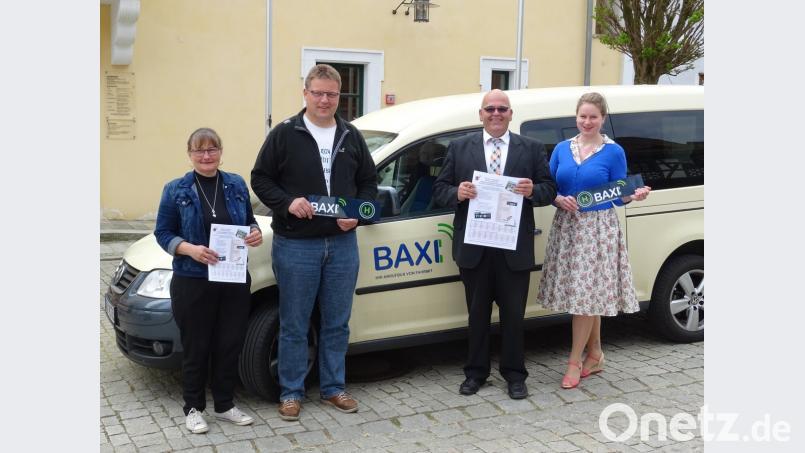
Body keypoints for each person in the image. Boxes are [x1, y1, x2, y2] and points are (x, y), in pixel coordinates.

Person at [250, 64, 377, 421]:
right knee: (294, 321)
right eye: (318, 93)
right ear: (305, 93)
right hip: (296, 245)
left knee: (338, 321)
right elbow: (260, 179)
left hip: (341, 245)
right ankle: (291, 393)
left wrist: (360, 214)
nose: (324, 100)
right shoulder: (285, 133)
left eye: (332, 94)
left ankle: (334, 388)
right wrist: (287, 202)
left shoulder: (351, 135)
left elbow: (368, 183)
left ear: (340, 96)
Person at [433, 89, 556, 399]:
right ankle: (476, 373)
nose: (496, 113)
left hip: (513, 247)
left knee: (514, 316)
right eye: (490, 109)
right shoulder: (460, 148)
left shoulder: (531, 148)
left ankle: (515, 375)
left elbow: (549, 189)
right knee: (476, 314)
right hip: (475, 246)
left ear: (511, 114)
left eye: (502, 108)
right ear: (481, 114)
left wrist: (532, 191)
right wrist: (457, 193)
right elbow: (439, 190)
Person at [536, 92, 651, 389]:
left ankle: (574, 361)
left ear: (603, 118)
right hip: (567, 228)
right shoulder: (562, 149)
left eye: (593, 117)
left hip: (597, 229)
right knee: (588, 297)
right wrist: (558, 199)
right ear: (576, 117)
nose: (587, 122)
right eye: (582, 116)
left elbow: (620, 192)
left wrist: (634, 194)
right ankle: (596, 354)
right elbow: (549, 187)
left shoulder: (614, 152)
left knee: (585, 301)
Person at [154, 127, 262, 434]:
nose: (206, 156)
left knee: (229, 343)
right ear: (189, 154)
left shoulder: (236, 184)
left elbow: (249, 221)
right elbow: (163, 233)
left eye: (212, 149)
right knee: (196, 345)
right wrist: (189, 249)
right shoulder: (176, 189)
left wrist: (253, 232)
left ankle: (225, 404)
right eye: (199, 150)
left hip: (233, 278)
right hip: (193, 279)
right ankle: (193, 407)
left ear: (220, 152)